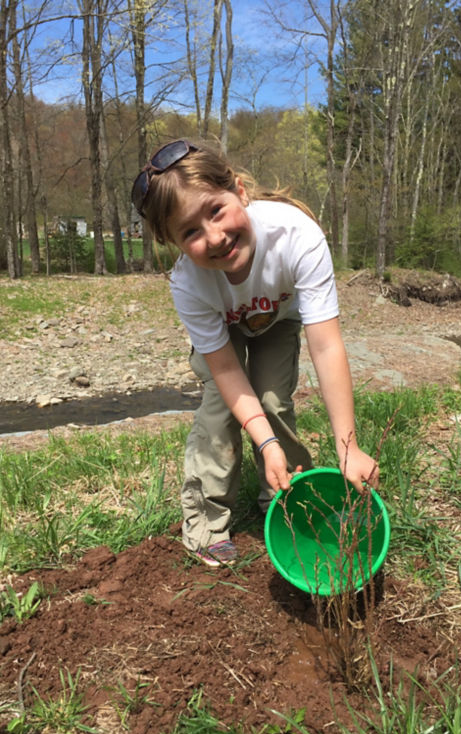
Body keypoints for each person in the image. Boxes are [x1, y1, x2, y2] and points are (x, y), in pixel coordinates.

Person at [131, 139, 379, 567]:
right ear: (172, 242)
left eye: (216, 211)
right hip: (224, 331)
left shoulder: (296, 235)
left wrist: (347, 446)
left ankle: (286, 497)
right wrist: (262, 442)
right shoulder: (189, 283)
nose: (215, 237)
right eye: (190, 232)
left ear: (240, 192)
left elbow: (326, 343)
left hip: (278, 321)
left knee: (273, 400)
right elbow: (226, 369)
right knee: (220, 411)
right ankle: (206, 520)